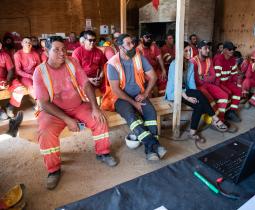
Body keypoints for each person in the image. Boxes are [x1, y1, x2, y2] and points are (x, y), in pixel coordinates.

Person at [33, 36, 117, 190]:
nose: (61, 53)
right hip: (53, 112)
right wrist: (67, 120)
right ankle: (54, 170)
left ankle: (103, 153)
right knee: (45, 132)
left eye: (63, 49)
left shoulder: (72, 62)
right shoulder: (40, 72)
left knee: (99, 119)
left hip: (77, 105)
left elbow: (86, 85)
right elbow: (44, 103)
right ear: (46, 52)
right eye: (56, 49)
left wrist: (95, 107)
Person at [102, 34, 167, 161]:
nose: (133, 46)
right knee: (131, 116)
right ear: (120, 47)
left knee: (151, 113)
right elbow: (115, 90)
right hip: (120, 99)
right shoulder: (112, 64)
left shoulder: (139, 57)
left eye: (132, 43)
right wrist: (133, 103)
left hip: (138, 95)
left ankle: (150, 150)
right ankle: (155, 145)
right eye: (128, 44)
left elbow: (153, 76)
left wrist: (145, 93)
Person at [165, 41, 228, 141]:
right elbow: (175, 84)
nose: (188, 53)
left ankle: (192, 133)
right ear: (180, 51)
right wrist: (187, 97)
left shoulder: (189, 64)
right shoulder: (174, 64)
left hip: (186, 90)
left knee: (199, 103)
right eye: (185, 51)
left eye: (189, 50)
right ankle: (215, 118)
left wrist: (194, 95)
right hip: (174, 92)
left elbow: (191, 82)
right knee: (199, 94)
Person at [213, 41, 242, 122]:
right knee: (227, 93)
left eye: (233, 49)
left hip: (227, 82)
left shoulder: (233, 60)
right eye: (230, 49)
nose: (232, 51)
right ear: (225, 50)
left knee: (238, 91)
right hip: (219, 83)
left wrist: (235, 84)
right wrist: (223, 87)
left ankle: (231, 112)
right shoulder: (219, 59)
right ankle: (222, 116)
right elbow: (217, 77)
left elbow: (234, 75)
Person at [137, 32, 167, 96]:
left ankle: (160, 99)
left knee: (164, 79)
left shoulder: (154, 46)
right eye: (146, 37)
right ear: (141, 39)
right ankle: (152, 100)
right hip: (145, 72)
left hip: (155, 69)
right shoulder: (138, 49)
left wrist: (163, 70)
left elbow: (159, 58)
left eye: (150, 37)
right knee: (152, 82)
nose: (149, 38)